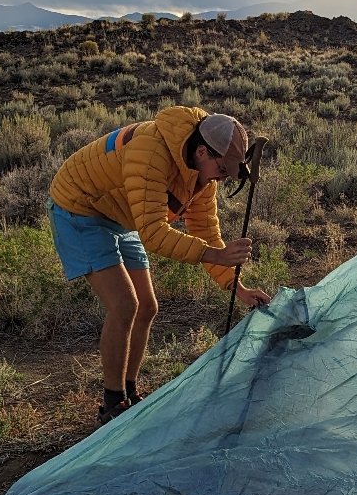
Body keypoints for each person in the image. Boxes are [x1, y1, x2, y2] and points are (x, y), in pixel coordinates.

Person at [48, 106, 273, 425]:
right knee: (124, 305)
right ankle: (112, 404)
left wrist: (238, 289)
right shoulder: (151, 150)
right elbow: (153, 233)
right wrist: (216, 256)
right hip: (79, 208)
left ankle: (129, 391)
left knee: (147, 307)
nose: (221, 179)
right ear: (201, 150)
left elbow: (205, 230)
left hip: (120, 217)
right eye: (222, 169)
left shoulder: (201, 174)